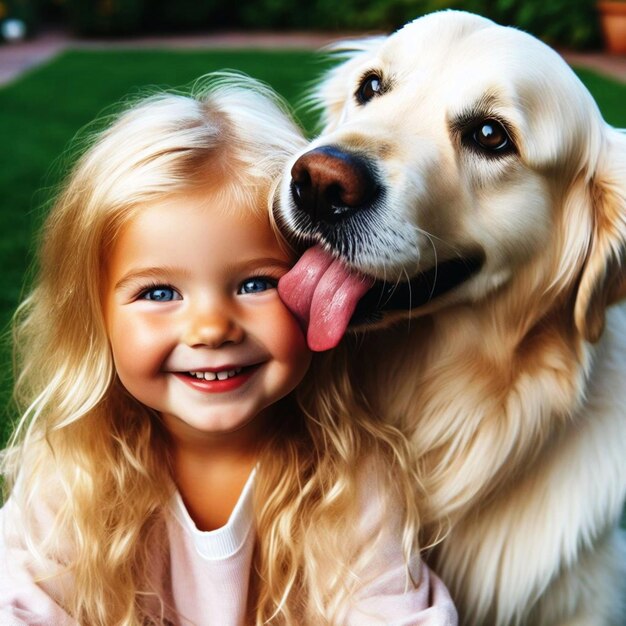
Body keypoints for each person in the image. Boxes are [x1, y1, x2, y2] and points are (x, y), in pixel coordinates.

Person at [0, 74, 457, 626]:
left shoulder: (350, 478)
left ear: (316, 288)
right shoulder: (69, 475)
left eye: (255, 283)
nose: (212, 328)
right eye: (159, 292)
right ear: (95, 317)